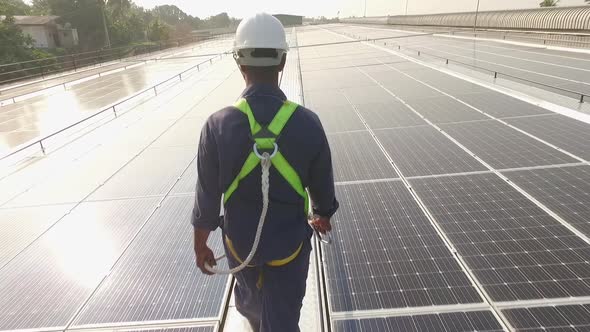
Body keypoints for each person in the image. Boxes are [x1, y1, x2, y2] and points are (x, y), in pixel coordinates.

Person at [191, 12, 339, 332]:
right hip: (289, 248)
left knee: (252, 308)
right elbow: (323, 196)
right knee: (283, 317)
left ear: (238, 62)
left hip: (240, 247)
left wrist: (201, 244)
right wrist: (322, 215)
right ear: (282, 61)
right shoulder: (307, 123)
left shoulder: (217, 125)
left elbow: (206, 201)